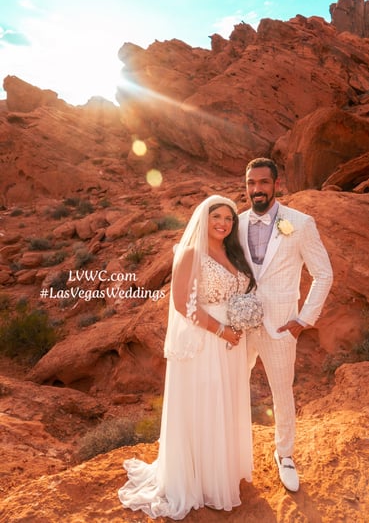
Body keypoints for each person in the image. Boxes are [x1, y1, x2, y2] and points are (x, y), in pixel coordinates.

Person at [118, 195, 257, 520]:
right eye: (216, 217)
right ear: (203, 219)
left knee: (226, 402)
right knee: (206, 405)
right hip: (206, 343)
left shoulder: (231, 252)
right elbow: (182, 304)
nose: (223, 223)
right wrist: (222, 330)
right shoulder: (191, 253)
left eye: (228, 218)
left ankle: (221, 471)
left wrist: (243, 318)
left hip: (233, 340)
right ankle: (200, 481)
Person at [238, 158, 333, 493]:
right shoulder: (234, 224)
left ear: (276, 184)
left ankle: (286, 455)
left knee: (281, 392)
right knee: (233, 388)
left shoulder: (300, 223)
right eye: (251, 183)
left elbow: (323, 274)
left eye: (263, 183)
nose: (256, 190)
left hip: (282, 326)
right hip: (242, 326)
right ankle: (234, 454)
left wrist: (303, 319)